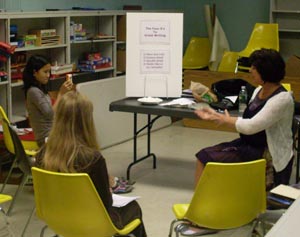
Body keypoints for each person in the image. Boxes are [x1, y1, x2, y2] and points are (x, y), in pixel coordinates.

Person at [36, 91, 147, 237]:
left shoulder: (43, 154)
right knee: (133, 207)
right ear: (86, 121)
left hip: (56, 219)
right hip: (93, 222)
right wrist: (110, 186)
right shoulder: (92, 159)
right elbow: (105, 204)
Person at [194, 48, 294, 188]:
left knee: (206, 158)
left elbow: (251, 126)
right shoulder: (259, 90)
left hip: (266, 151)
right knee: (203, 156)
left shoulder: (282, 99)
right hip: (249, 144)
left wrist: (223, 119)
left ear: (266, 72)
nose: (250, 71)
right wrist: (218, 114)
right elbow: (247, 119)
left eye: (254, 68)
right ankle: (202, 202)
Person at [23, 54, 73, 147]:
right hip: (46, 138)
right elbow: (50, 114)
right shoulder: (34, 91)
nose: (48, 75)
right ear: (35, 72)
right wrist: (61, 94)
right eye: (45, 72)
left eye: (49, 72)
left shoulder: (40, 88)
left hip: (52, 133)